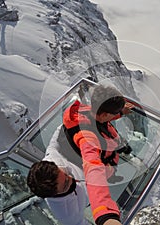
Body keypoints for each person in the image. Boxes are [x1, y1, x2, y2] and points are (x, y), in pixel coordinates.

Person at [63, 84, 133, 225]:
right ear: (106, 115)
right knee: (109, 175)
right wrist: (105, 214)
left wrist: (120, 113)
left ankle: (112, 176)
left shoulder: (88, 111)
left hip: (108, 155)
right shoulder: (88, 139)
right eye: (115, 113)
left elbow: (101, 117)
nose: (115, 115)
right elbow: (93, 169)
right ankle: (112, 177)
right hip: (105, 165)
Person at [27, 125, 90, 225]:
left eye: (65, 173)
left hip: (92, 170)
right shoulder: (67, 215)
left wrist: (69, 120)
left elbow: (56, 138)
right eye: (65, 184)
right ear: (54, 194)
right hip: (92, 196)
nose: (71, 178)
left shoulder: (53, 159)